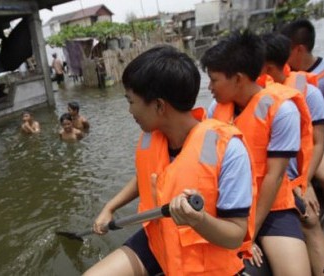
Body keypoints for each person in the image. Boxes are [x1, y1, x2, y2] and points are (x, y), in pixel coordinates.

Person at [85, 45, 255, 275]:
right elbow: (143, 178)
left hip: (203, 258)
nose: (129, 111)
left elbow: (235, 234)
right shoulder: (153, 137)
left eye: (131, 101)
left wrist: (198, 220)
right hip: (158, 241)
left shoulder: (229, 150)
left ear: (159, 105)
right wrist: (110, 207)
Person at [201, 30, 312, 276]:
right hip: (229, 205)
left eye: (214, 80)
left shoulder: (282, 111)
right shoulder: (214, 110)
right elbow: (206, 166)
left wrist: (249, 234)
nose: (209, 87)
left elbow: (274, 176)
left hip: (271, 206)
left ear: (238, 78)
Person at [260, 32, 324, 276]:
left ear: (266, 67)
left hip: (297, 174)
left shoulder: (310, 94)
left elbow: (318, 143)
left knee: (310, 220)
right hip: (272, 179)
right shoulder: (252, 100)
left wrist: (304, 182)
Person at [280, 19, 324, 94]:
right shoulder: (284, 72)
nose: (282, 55)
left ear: (299, 49)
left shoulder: (321, 79)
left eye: (285, 50)